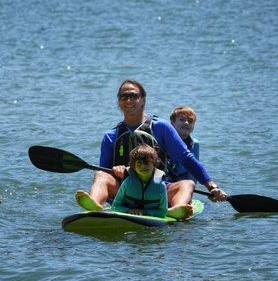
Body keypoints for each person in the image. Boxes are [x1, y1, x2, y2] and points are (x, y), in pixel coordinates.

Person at [75, 79, 226, 218]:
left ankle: (176, 210)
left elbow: (186, 158)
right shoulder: (110, 136)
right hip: (127, 191)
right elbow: (105, 172)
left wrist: (211, 186)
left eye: (133, 96)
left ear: (143, 100)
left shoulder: (161, 127)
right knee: (101, 174)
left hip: (158, 190)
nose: (128, 100)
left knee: (188, 184)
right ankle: (94, 208)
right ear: (119, 102)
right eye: (123, 96)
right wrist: (116, 171)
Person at [110, 145, 168, 218]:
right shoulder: (127, 182)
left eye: (147, 162)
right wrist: (128, 211)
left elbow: (163, 212)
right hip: (129, 212)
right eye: (139, 163)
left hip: (150, 219)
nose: (143, 166)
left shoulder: (160, 185)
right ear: (133, 166)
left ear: (154, 164)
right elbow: (114, 207)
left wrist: (145, 212)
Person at [166, 106, 199, 182]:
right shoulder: (163, 140)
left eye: (190, 121)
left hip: (183, 183)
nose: (186, 123)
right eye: (182, 120)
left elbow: (194, 171)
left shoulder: (195, 144)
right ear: (172, 122)